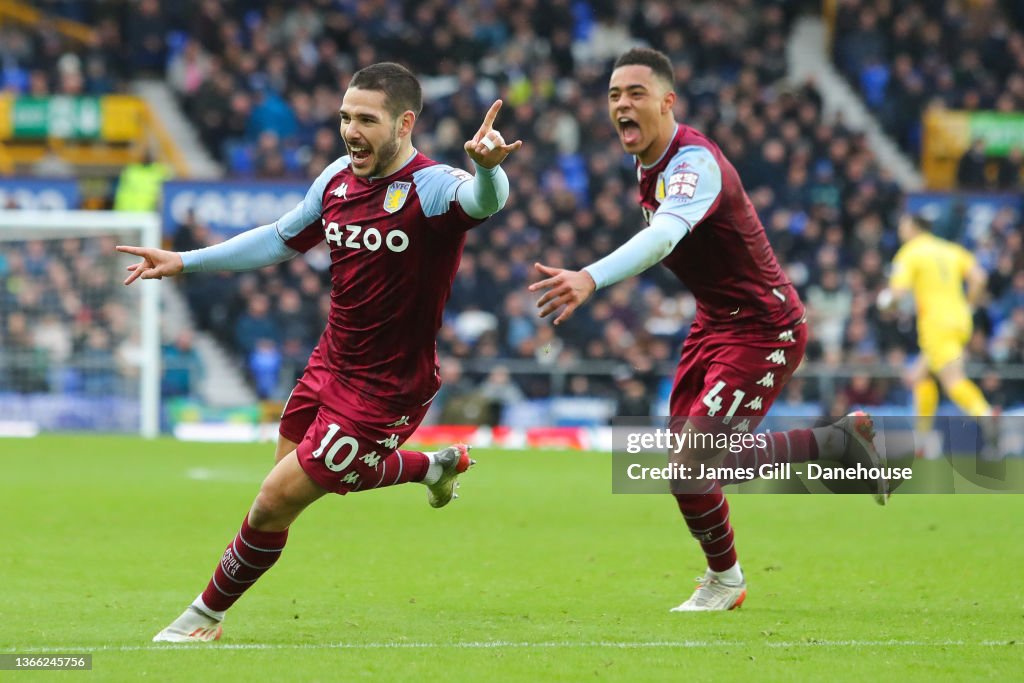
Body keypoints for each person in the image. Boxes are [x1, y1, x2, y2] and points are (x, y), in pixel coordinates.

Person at [117, 62, 521, 642]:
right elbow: (280, 238)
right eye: (344, 118)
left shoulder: (430, 187)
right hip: (328, 364)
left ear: (405, 123)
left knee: (272, 502)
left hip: (387, 386)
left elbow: (483, 201)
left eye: (366, 120)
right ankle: (433, 465)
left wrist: (489, 171)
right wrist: (186, 261)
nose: (350, 131)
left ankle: (201, 620)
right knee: (312, 480)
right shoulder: (335, 179)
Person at [529, 48, 885, 612]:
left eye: (636, 94)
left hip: (766, 328)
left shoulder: (693, 164)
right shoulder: (649, 165)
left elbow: (666, 237)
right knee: (689, 469)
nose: (622, 104)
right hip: (716, 324)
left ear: (668, 102)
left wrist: (590, 278)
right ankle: (741, 559)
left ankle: (729, 577)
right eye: (614, 95)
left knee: (691, 466)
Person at [877, 213, 992, 458]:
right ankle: (921, 442)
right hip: (960, 320)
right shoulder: (951, 249)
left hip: (936, 324)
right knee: (918, 377)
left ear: (913, 227)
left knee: (953, 380)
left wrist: (884, 302)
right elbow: (979, 278)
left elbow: (896, 294)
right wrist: (969, 306)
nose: (900, 229)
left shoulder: (911, 252)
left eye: (903, 224)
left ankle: (987, 416)